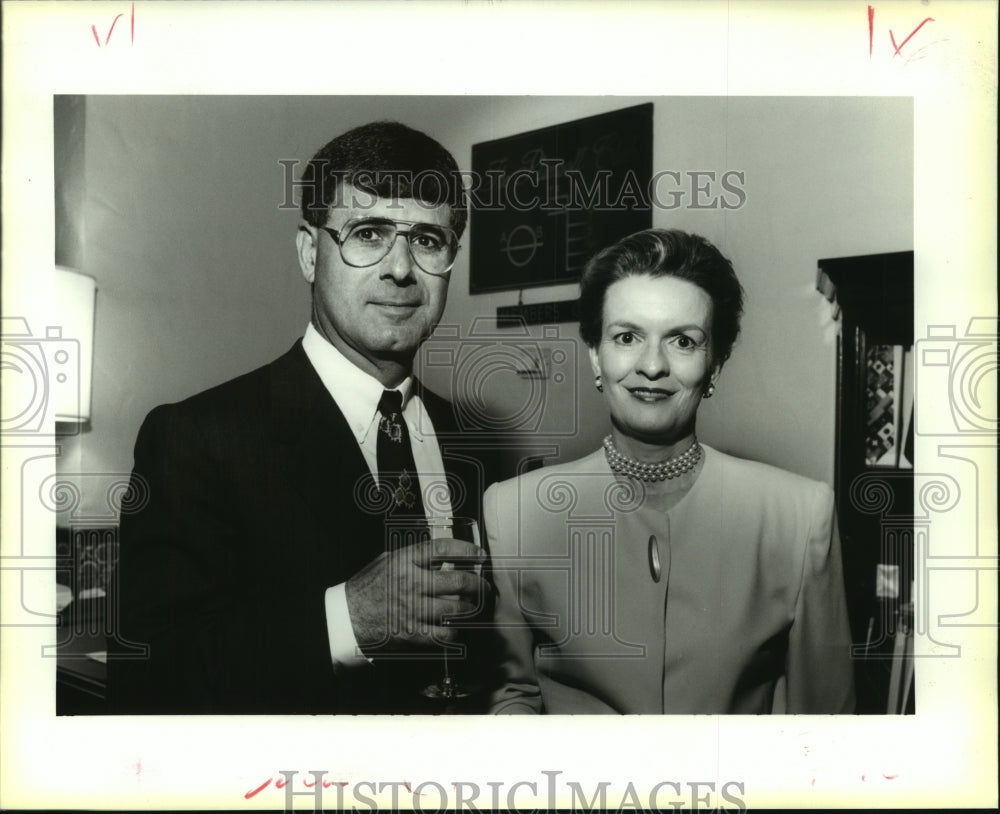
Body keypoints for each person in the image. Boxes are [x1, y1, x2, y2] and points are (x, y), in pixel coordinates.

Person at [108, 121, 493, 714]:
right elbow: (147, 677)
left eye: (427, 240)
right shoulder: (197, 438)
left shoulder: (471, 437)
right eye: (368, 234)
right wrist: (347, 619)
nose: (400, 269)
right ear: (310, 252)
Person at [485, 228, 856, 714]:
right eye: (626, 337)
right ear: (596, 356)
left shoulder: (798, 515)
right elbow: (510, 697)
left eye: (683, 340)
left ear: (715, 366)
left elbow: (824, 728)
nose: (653, 365)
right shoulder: (516, 512)